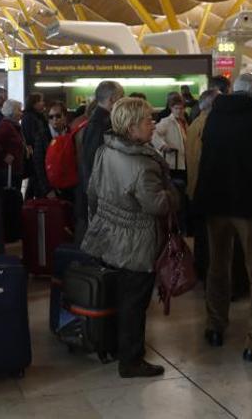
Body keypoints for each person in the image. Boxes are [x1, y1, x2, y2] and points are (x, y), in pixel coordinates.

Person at [82, 97, 179, 378]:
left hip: (108, 234)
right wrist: (175, 195)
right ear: (132, 126)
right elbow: (157, 205)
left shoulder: (106, 150)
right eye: (148, 120)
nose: (153, 124)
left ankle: (114, 347)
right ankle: (132, 360)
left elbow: (92, 190)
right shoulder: (141, 165)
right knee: (134, 304)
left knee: (118, 297)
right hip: (137, 241)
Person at [195, 73, 252, 361]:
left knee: (217, 266)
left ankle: (215, 325)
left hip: (214, 201)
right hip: (249, 202)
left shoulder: (214, 116)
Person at [77, 81, 124, 241]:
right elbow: (92, 162)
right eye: (120, 98)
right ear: (111, 99)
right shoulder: (100, 124)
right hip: (99, 193)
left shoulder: (98, 121)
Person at [186, 89, 219, 278]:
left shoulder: (194, 124)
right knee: (210, 240)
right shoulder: (209, 125)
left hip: (194, 189)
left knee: (201, 238)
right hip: (206, 189)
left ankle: (200, 269)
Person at [0, 99, 26, 189]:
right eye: (19, 110)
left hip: (13, 170)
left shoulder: (13, 126)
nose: (22, 113)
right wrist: (4, 155)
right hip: (6, 172)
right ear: (12, 112)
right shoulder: (6, 126)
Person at [21, 92, 50, 199]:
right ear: (34, 103)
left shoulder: (38, 116)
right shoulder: (30, 117)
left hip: (38, 152)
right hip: (36, 154)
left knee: (34, 182)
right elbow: (31, 137)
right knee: (35, 179)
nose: (43, 103)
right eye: (41, 100)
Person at [152, 92, 188, 175]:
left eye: (181, 108)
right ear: (171, 108)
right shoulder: (166, 121)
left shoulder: (183, 121)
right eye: (176, 108)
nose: (179, 111)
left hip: (182, 160)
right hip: (172, 162)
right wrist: (162, 145)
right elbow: (153, 132)